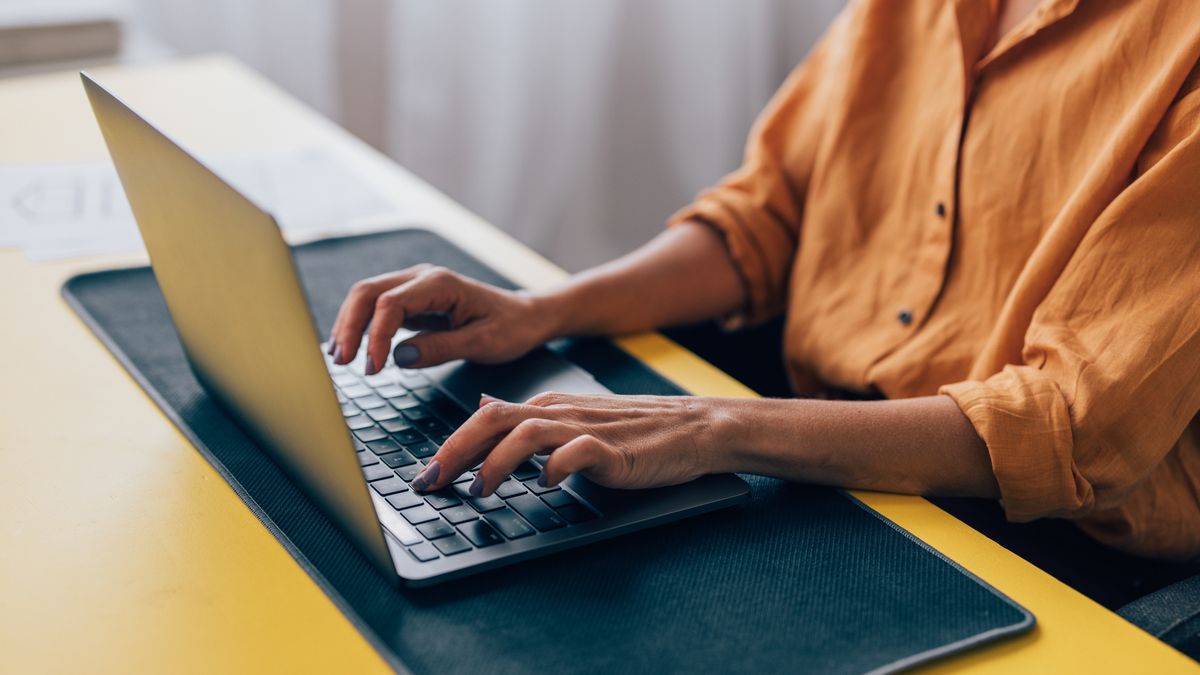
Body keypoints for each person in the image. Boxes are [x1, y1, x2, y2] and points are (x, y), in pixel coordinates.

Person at [327, 0, 1200, 561]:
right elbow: (769, 216)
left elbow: (1069, 430)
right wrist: (540, 310)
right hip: (813, 447)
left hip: (1033, 541)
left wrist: (709, 426)